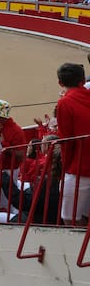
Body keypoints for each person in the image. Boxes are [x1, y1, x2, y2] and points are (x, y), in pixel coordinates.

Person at [56, 62, 90, 225]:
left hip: (79, 168)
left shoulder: (65, 103)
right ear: (82, 80)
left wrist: (65, 167)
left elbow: (66, 140)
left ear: (60, 83)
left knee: (70, 218)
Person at [0, 99, 26, 180]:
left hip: (8, 171)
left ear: (1, 117)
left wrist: (4, 144)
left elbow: (21, 156)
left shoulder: (16, 131)